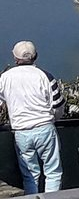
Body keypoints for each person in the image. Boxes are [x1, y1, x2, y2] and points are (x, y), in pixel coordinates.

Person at [0, 41, 65, 194]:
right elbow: (58, 104)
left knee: (30, 175)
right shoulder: (45, 76)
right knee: (53, 172)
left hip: (21, 132)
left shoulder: (5, 78)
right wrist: (54, 119)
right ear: (35, 56)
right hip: (45, 129)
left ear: (15, 59)